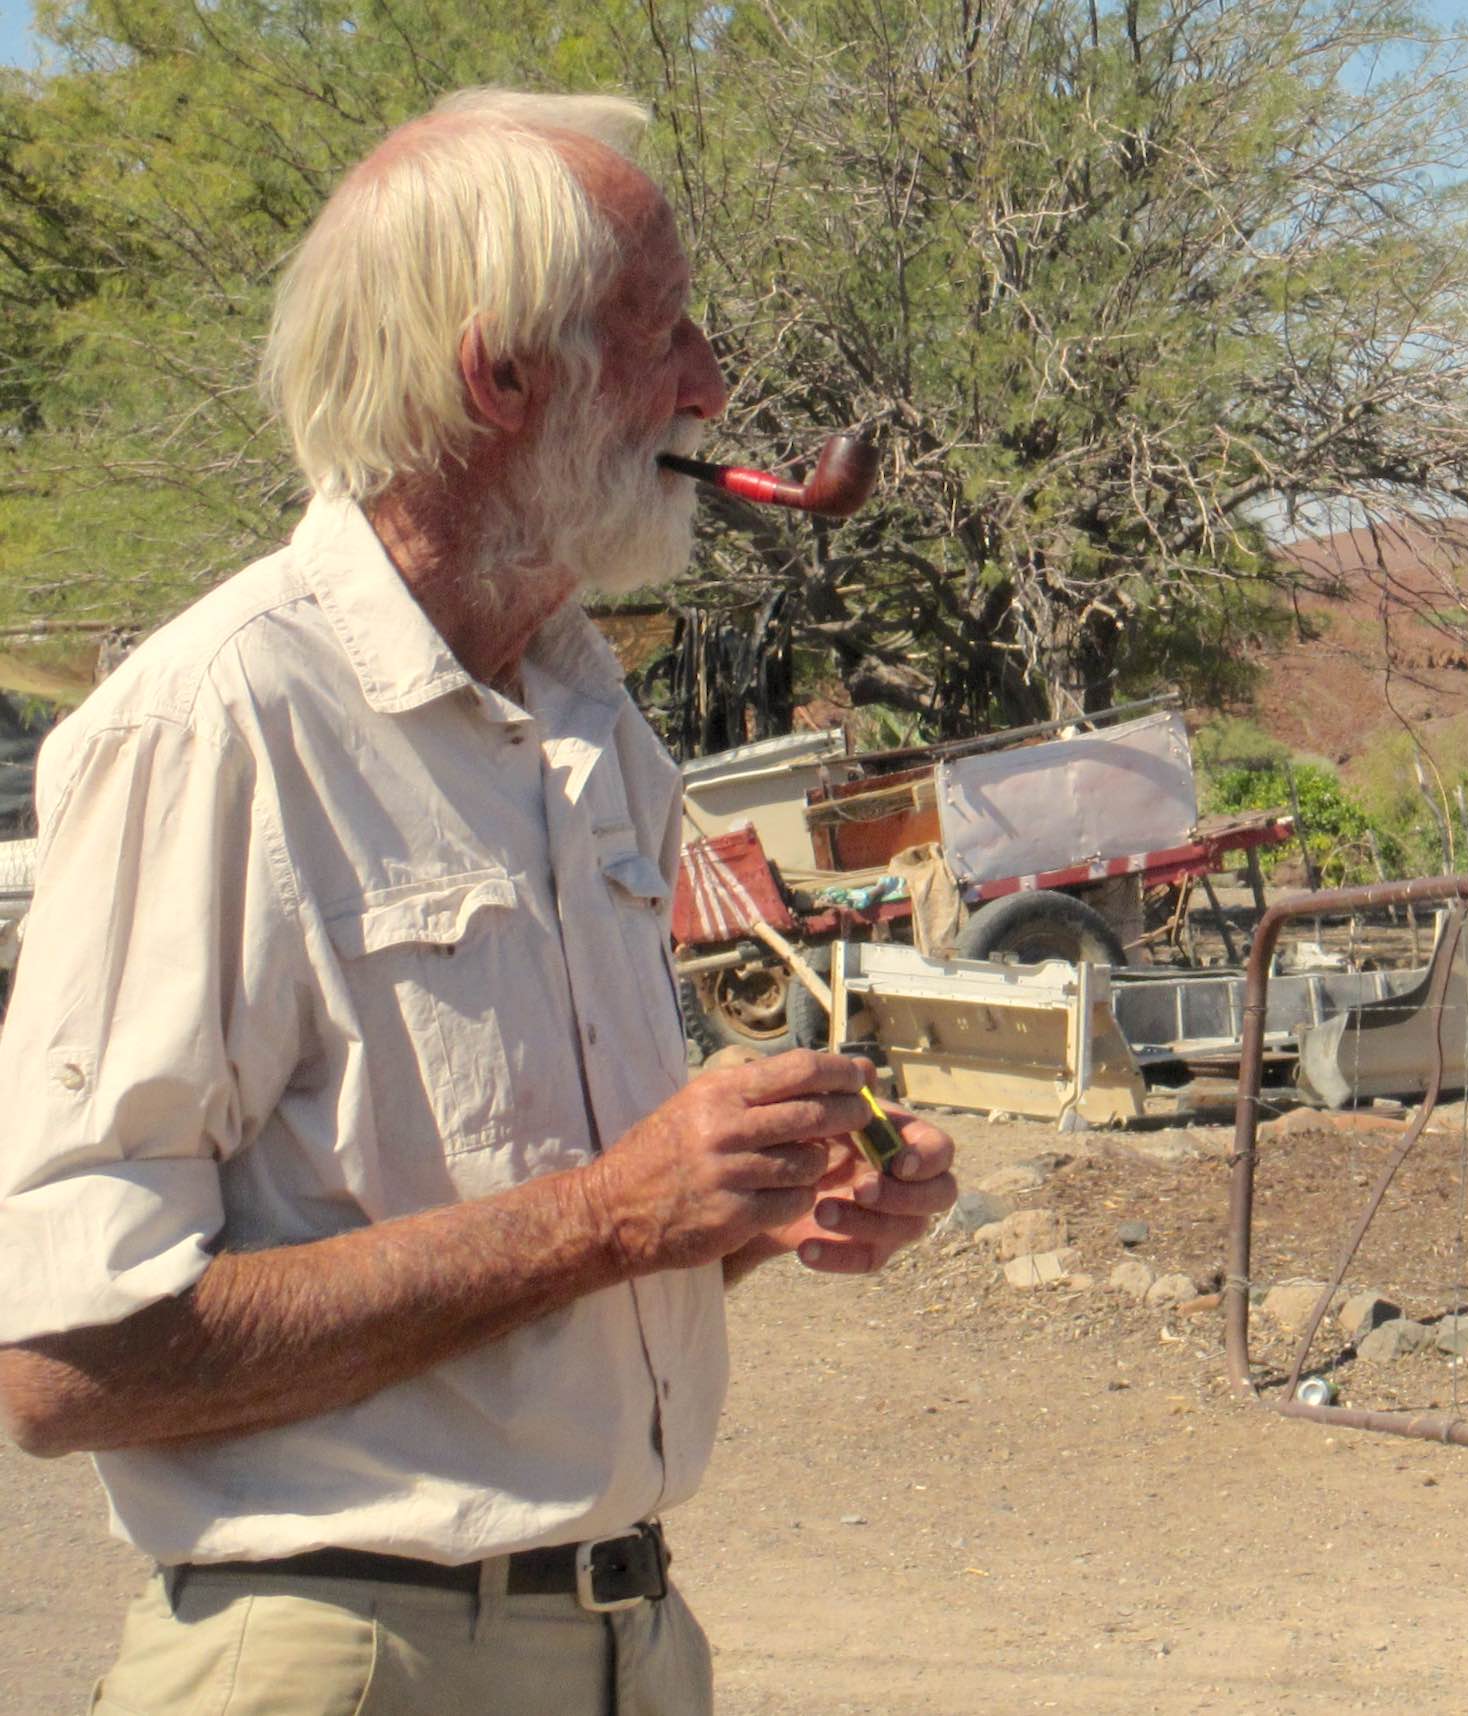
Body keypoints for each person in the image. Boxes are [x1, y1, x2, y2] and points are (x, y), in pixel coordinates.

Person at [0, 89, 958, 1716]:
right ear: (502, 375)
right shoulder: (219, 725)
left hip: (626, 1641)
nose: (713, 386)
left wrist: (746, 1206)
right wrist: (612, 1216)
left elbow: (563, 1237)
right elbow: (64, 1363)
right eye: (664, 330)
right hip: (335, 1661)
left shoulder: (590, 724)